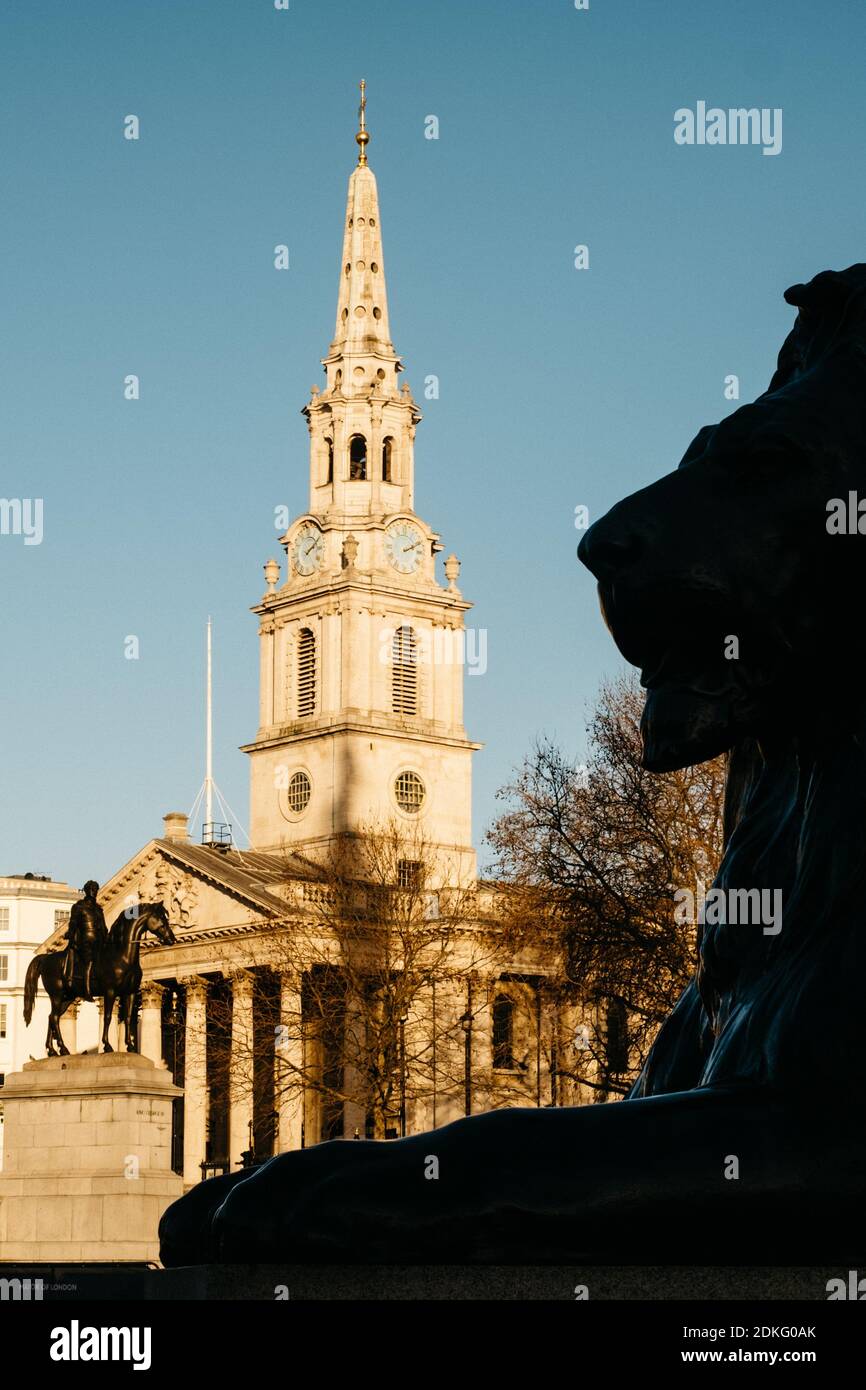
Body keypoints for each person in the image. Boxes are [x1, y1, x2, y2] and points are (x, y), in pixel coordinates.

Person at [64, 880, 108, 1001]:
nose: (94, 892)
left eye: (96, 889)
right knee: (90, 959)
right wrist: (70, 934)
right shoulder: (79, 906)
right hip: (84, 940)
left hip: (98, 939)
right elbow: (73, 923)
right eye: (92, 889)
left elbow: (103, 926)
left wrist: (107, 938)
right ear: (87, 891)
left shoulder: (98, 909)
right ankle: (87, 989)